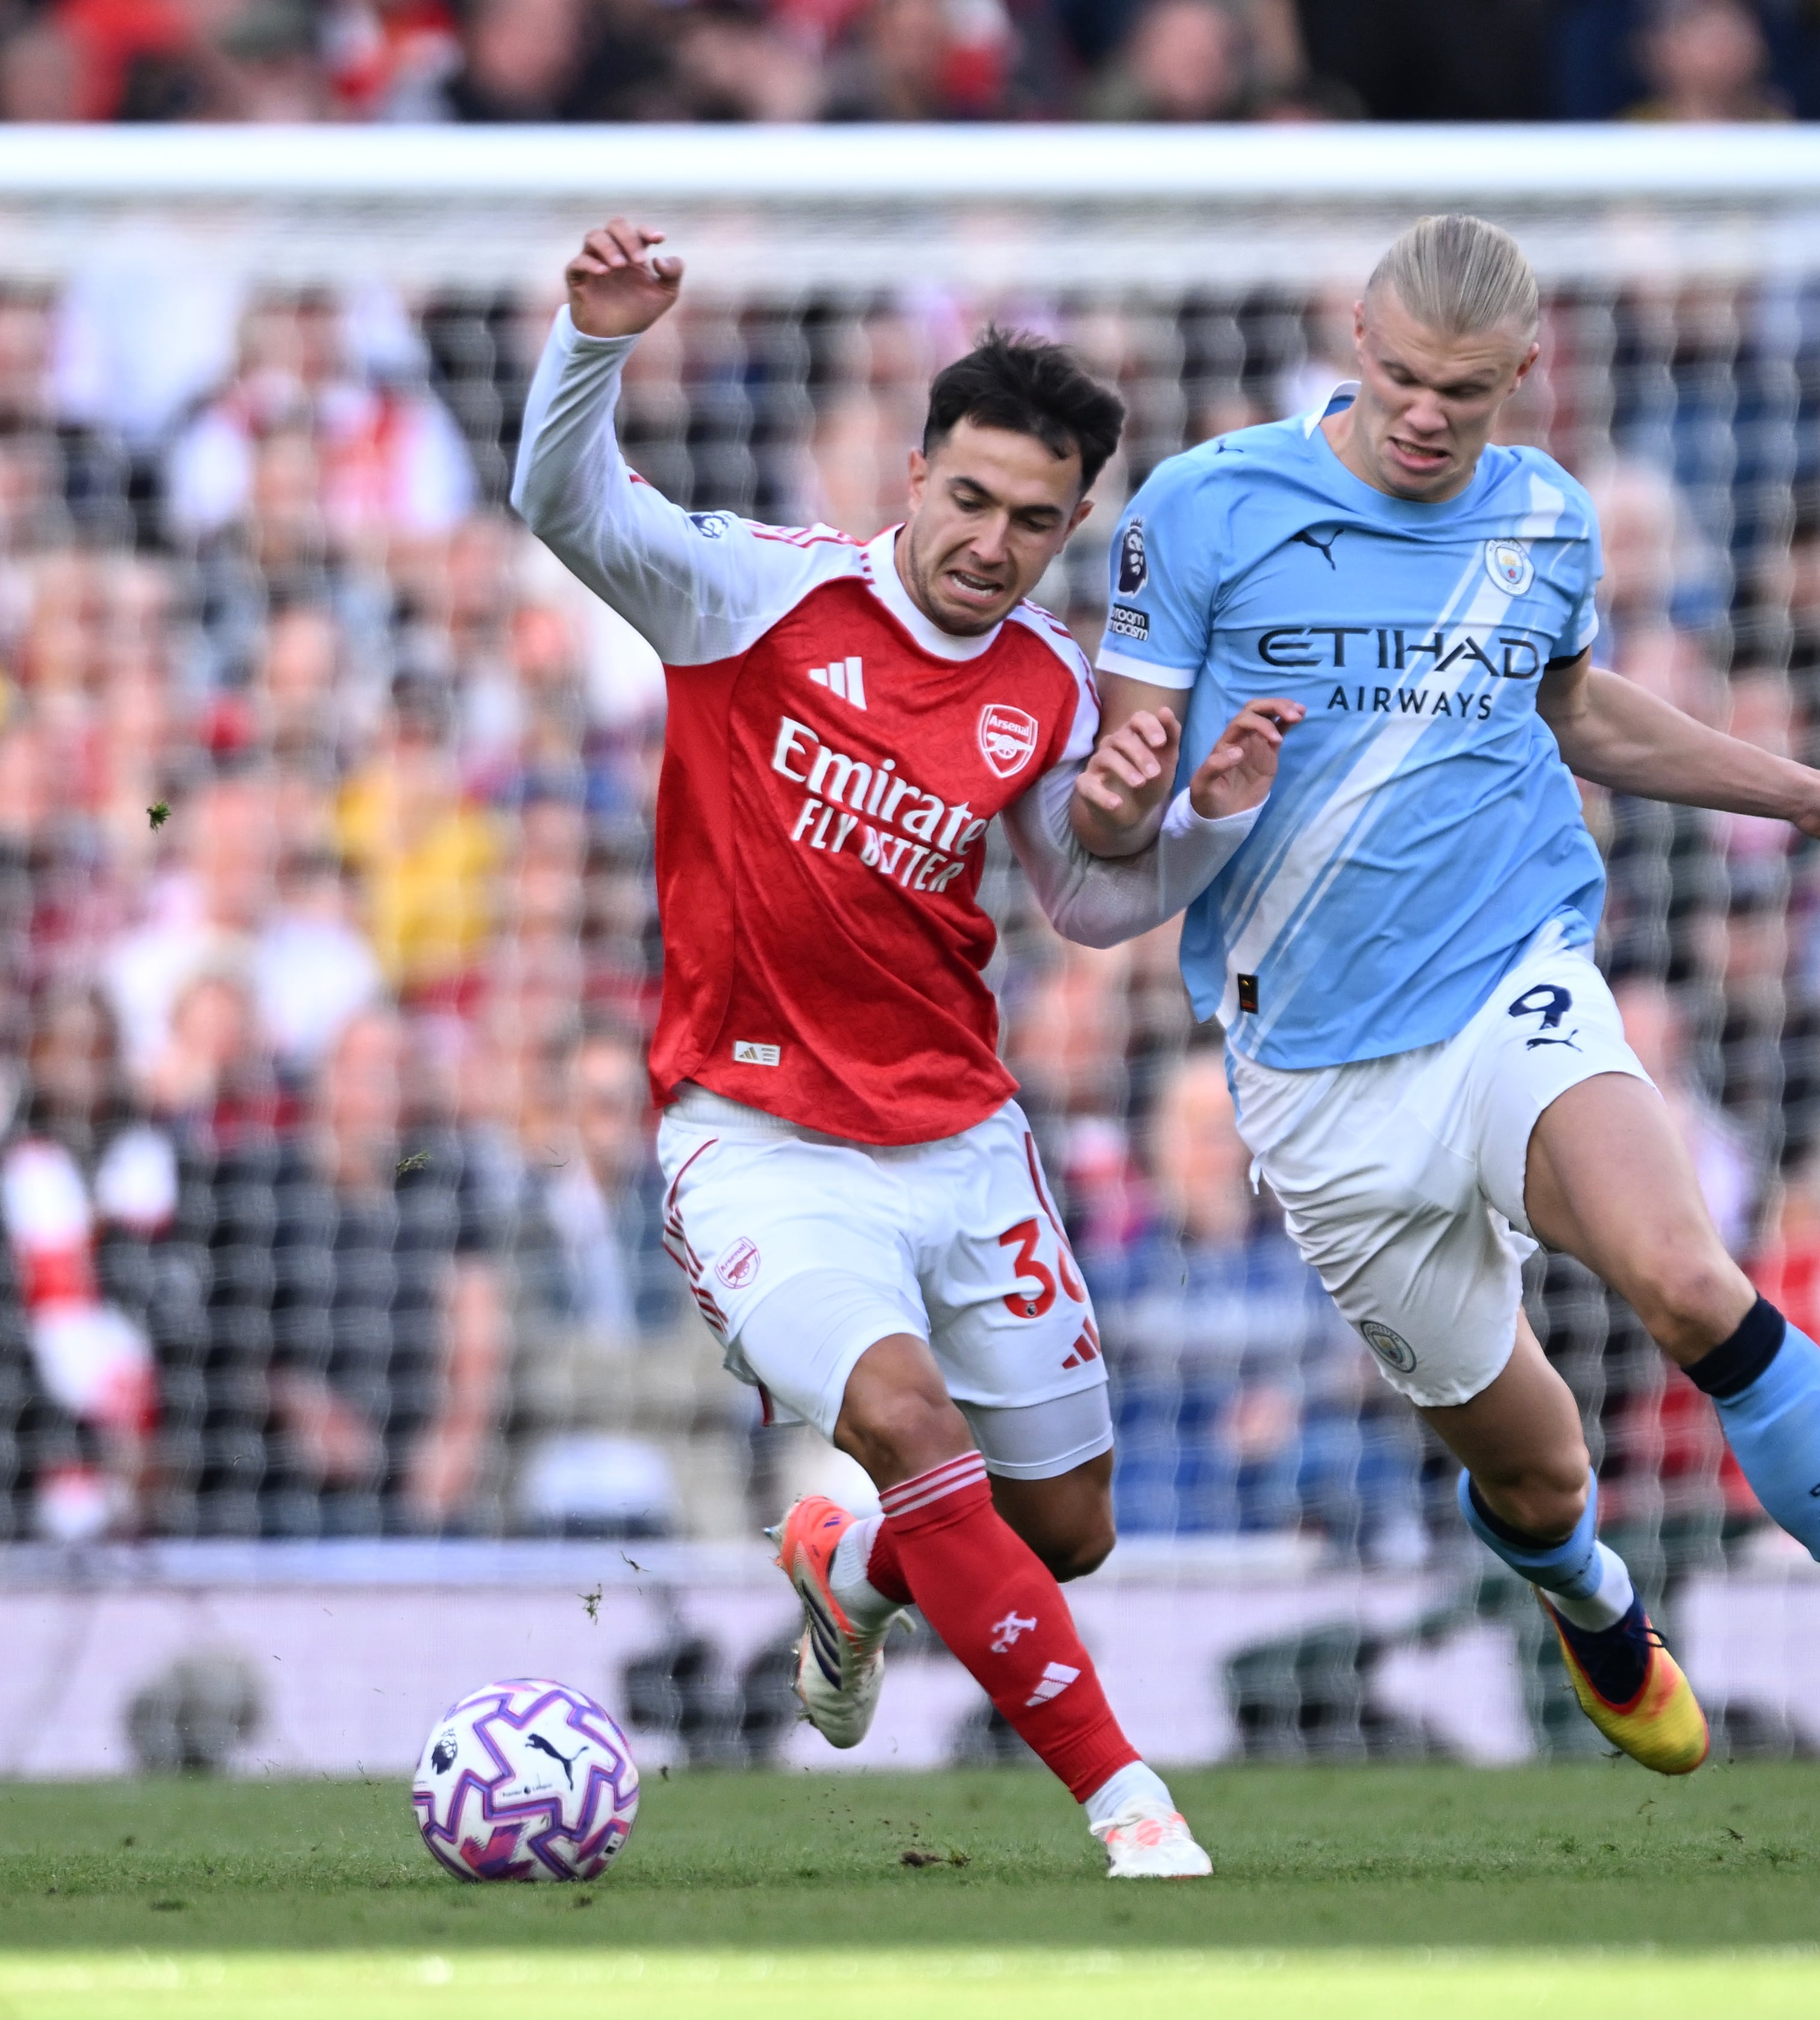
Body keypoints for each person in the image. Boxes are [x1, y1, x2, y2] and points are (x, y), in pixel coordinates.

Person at [1085, 213, 1820, 1823]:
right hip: (1317, 1078)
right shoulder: (1207, 507)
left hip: (1510, 981)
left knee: (1691, 1282)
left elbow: (1574, 708)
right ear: (1355, 337)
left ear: (1519, 378)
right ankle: (1593, 1604)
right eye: (1400, 376)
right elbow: (1121, 820)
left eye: (1462, 392)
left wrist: (1805, 794)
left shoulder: (1544, 519)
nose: (1423, 412)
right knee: (1533, 1471)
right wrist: (1158, 793)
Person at [510, 217, 1300, 1878]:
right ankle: (1130, 1805)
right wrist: (595, 343)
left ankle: (851, 1570)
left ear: (1069, 524)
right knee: (913, 1428)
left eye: (1034, 519)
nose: (992, 542)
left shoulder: (1054, 685)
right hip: (760, 1143)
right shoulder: (755, 593)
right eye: (970, 498)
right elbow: (561, 505)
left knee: (1066, 1525)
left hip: (960, 1143)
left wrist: (1198, 824)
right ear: (915, 468)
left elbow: (1087, 906)